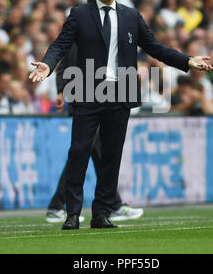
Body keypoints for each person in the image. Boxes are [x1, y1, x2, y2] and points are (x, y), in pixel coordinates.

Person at [29, 0, 213, 230]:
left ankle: (101, 213)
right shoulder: (80, 15)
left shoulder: (131, 16)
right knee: (79, 151)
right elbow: (61, 44)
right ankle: (72, 213)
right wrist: (48, 65)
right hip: (87, 91)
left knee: (112, 156)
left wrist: (187, 61)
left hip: (121, 92)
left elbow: (155, 47)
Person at [46, 43, 144, 223]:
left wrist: (61, 90)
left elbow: (65, 66)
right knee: (84, 151)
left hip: (99, 99)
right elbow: (65, 65)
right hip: (86, 100)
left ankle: (110, 203)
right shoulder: (80, 34)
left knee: (92, 151)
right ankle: (60, 205)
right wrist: (61, 91)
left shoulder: (87, 32)